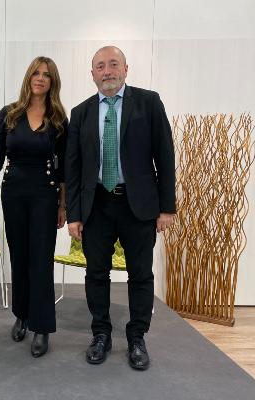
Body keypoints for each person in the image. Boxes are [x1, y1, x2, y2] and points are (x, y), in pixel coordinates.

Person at [65, 46, 176, 370]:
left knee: (140, 274)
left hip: (138, 205)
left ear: (126, 68)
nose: (107, 71)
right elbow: (73, 168)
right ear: (92, 74)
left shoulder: (149, 103)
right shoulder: (81, 112)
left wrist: (166, 207)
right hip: (97, 205)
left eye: (113, 64)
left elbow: (165, 156)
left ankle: (137, 337)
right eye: (100, 66)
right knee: (96, 273)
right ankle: (101, 334)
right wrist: (74, 214)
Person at [0, 57, 67, 358]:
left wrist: (63, 205)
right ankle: (22, 315)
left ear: (52, 82)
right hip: (13, 192)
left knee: (40, 260)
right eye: (36, 73)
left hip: (45, 194)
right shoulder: (9, 114)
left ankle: (42, 327)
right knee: (20, 257)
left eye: (47, 75)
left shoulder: (58, 118)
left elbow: (64, 168)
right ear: (28, 77)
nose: (40, 78)